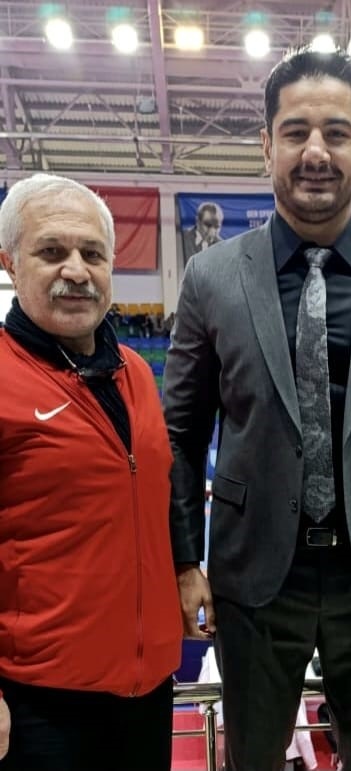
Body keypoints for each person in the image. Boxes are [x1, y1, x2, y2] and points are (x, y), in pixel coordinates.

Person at [164, 45, 351, 771]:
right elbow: (181, 432)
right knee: (253, 759)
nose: (315, 153)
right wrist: (183, 559)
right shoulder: (210, 276)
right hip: (251, 571)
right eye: (295, 131)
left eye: (336, 132)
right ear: (266, 143)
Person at [0, 173, 183, 771]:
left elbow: (154, 494)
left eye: (93, 254)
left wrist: (185, 570)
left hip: (147, 689)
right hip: (42, 699)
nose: (76, 271)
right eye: (52, 251)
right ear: (10, 263)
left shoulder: (136, 372)